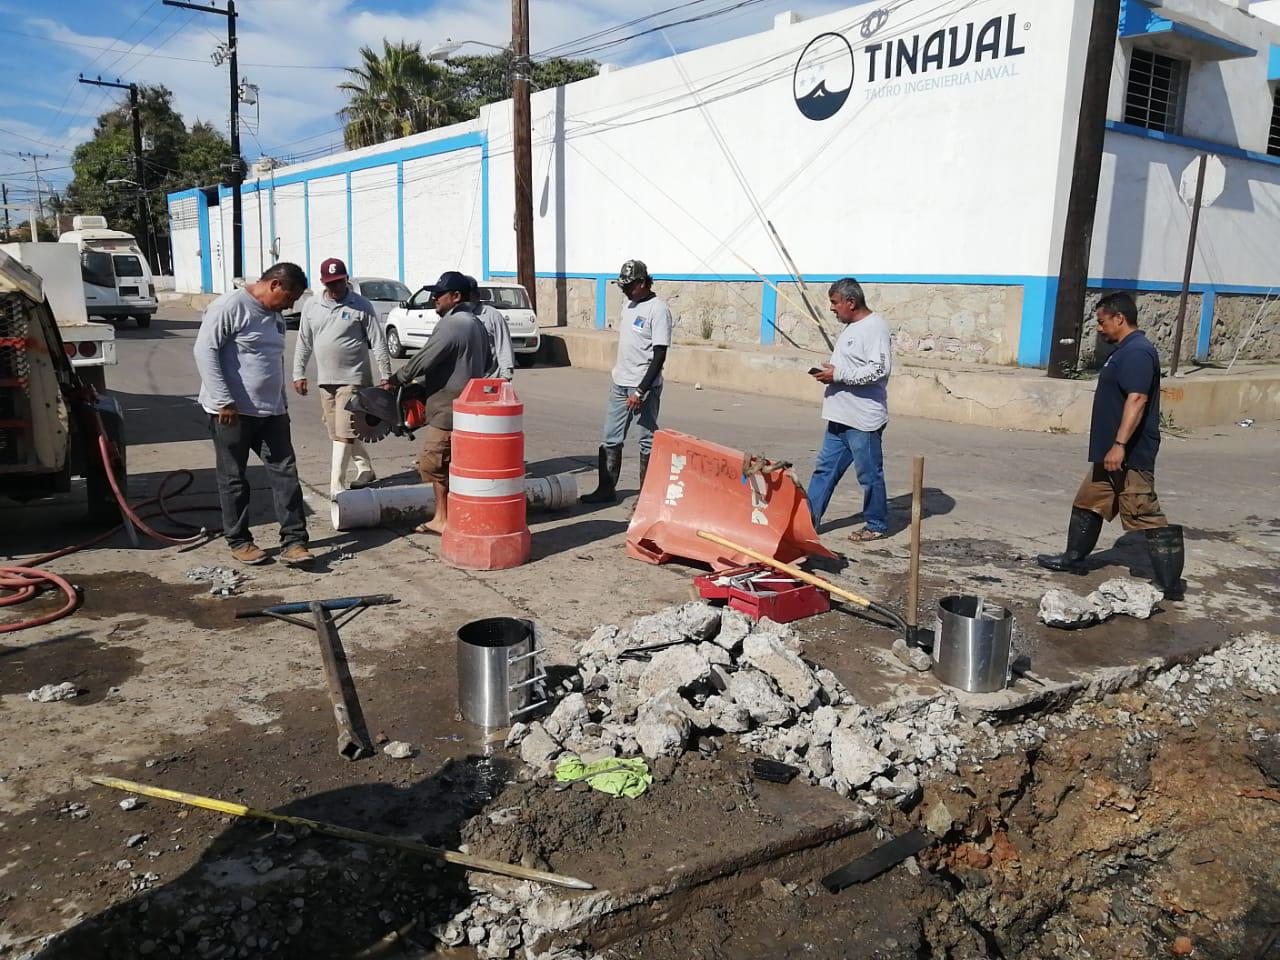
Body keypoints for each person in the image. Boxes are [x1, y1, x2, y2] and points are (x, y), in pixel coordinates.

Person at [1036, 292, 1184, 598]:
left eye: (1103, 322)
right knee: (1088, 501)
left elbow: (1138, 398)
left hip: (1129, 454)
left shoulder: (1138, 352)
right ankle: (1072, 559)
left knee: (1144, 514)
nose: (1100, 329)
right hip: (1110, 455)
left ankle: (1170, 586)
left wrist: (1119, 444)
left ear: (1120, 318)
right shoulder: (1123, 351)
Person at [194, 262, 312, 566]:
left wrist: (281, 403)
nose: (290, 305)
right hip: (232, 413)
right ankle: (239, 540)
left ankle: (294, 541)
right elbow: (204, 350)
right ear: (274, 285)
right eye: (290, 297)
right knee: (234, 478)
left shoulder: (275, 317)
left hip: (272, 412)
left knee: (286, 473)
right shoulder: (230, 306)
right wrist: (224, 400)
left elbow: (274, 362)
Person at [386, 270, 492, 535]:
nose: (434, 298)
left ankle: (442, 518)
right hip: (471, 409)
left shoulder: (452, 324)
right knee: (458, 466)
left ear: (455, 296)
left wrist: (397, 379)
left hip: (448, 411)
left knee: (434, 464)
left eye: (439, 294)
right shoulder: (476, 323)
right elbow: (489, 363)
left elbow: (426, 357)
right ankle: (458, 514)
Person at [291, 257, 392, 498]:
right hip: (326, 380)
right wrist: (298, 372)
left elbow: (378, 342)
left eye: (339, 282)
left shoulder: (361, 305)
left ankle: (336, 485)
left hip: (354, 378)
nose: (335, 288)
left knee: (344, 431)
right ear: (322, 282)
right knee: (336, 430)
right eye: (330, 283)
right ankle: (365, 469)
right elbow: (304, 341)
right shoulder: (312, 306)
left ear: (346, 279)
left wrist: (386, 375)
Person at [805, 277, 892, 543]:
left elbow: (879, 369)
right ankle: (806, 522)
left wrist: (838, 375)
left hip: (862, 420)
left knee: (868, 475)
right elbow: (851, 365)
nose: (832, 308)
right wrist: (831, 371)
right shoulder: (852, 327)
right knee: (824, 471)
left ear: (851, 302)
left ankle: (876, 524)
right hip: (839, 416)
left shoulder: (874, 328)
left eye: (835, 302)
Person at [580, 259, 673, 503]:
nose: (625, 290)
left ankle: (647, 497)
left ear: (642, 283)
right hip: (620, 382)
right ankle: (606, 488)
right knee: (610, 437)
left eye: (629, 286)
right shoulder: (628, 305)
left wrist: (641, 390)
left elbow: (660, 354)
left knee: (646, 441)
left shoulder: (658, 309)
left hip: (643, 387)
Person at [465, 275, 515, 381]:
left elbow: (503, 345)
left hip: (489, 381)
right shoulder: (457, 316)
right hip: (464, 382)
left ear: (474, 295)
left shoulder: (492, 315)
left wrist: (506, 375)